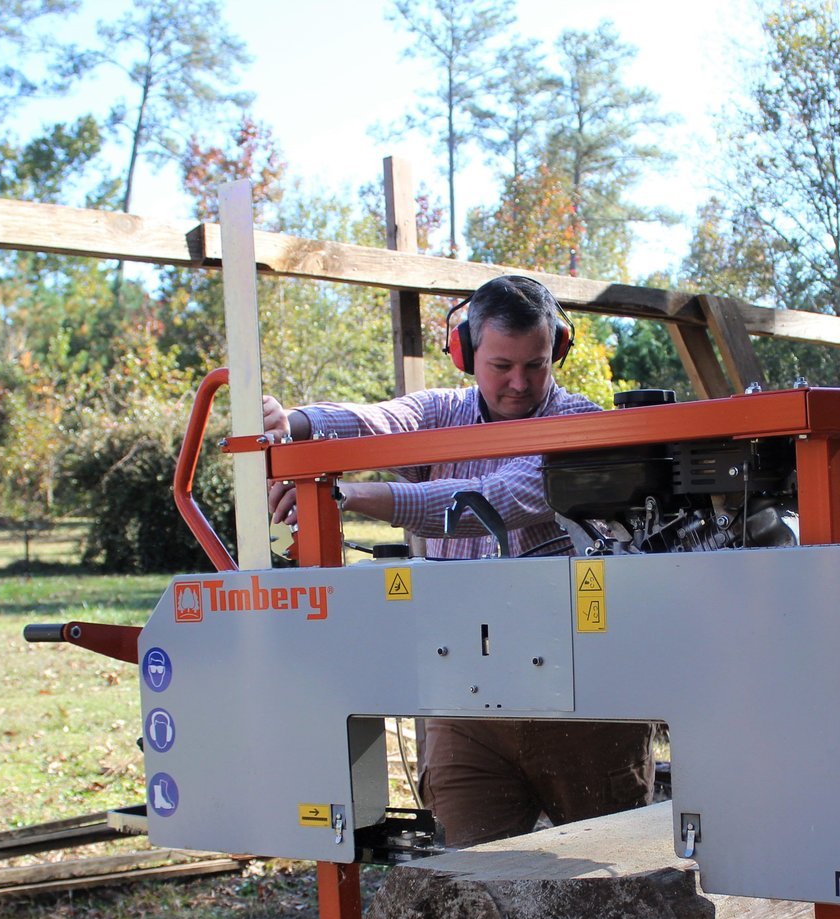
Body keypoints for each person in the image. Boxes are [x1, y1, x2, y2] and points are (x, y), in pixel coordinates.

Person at [257, 274, 653, 848]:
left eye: (535, 365)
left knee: (615, 879)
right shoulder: (443, 413)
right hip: (464, 702)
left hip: (584, 701)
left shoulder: (580, 427)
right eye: (501, 366)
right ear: (466, 353)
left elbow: (494, 501)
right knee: (468, 886)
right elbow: (379, 421)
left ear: (557, 351)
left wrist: (356, 495)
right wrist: (293, 424)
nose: (519, 383)